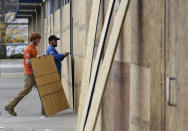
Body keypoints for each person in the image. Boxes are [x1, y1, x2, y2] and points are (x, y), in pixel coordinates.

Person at [5, 32, 41, 116]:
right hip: (30, 74)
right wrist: (37, 59)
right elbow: (27, 61)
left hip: (35, 72)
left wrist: (39, 57)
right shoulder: (28, 49)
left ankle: (45, 109)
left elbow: (34, 58)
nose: (39, 42)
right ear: (33, 40)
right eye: (38, 40)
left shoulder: (33, 48)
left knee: (42, 89)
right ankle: (10, 105)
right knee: (25, 90)